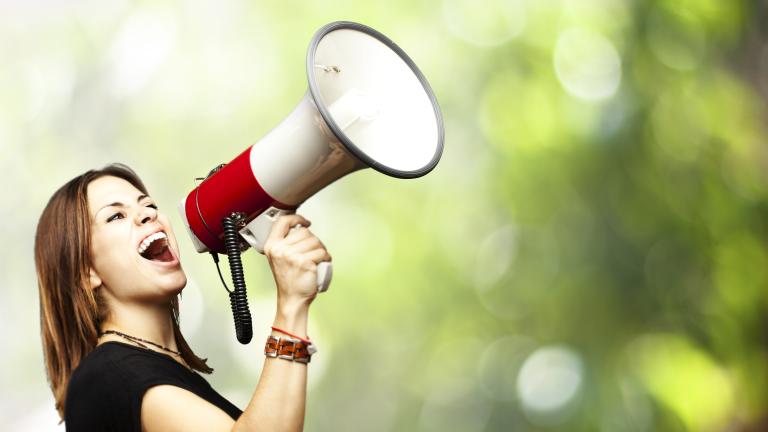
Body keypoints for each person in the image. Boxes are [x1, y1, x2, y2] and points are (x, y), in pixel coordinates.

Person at [35, 163, 330, 431]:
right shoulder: (105, 378)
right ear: (85, 271)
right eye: (116, 216)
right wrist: (290, 306)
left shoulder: (159, 372)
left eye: (149, 205)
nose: (148, 214)